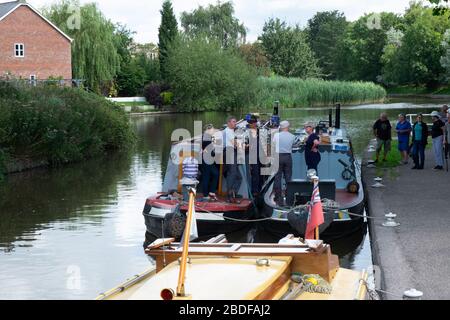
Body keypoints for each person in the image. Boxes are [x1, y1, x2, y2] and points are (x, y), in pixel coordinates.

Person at [272, 120, 296, 207]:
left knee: (277, 177)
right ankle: (289, 196)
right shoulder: (292, 136)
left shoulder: (276, 135)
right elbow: (294, 145)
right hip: (288, 157)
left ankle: (278, 197)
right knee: (288, 177)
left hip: (278, 156)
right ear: (287, 127)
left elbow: (273, 145)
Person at [223, 116, 242, 203]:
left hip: (231, 152)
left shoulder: (231, 131)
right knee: (232, 174)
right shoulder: (228, 131)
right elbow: (234, 144)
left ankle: (233, 192)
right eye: (234, 122)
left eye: (235, 122)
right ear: (229, 123)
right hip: (229, 152)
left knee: (239, 177)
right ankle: (229, 195)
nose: (235, 123)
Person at [201, 124, 219, 201]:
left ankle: (211, 191)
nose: (213, 131)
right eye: (212, 129)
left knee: (215, 174)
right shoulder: (206, 138)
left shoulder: (208, 137)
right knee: (206, 176)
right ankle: (205, 194)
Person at [247, 115, 263, 196]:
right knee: (255, 174)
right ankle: (255, 191)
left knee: (261, 173)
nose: (253, 124)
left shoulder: (259, 131)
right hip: (253, 156)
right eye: (251, 123)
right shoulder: (247, 132)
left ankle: (260, 188)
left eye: (254, 122)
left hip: (260, 155)